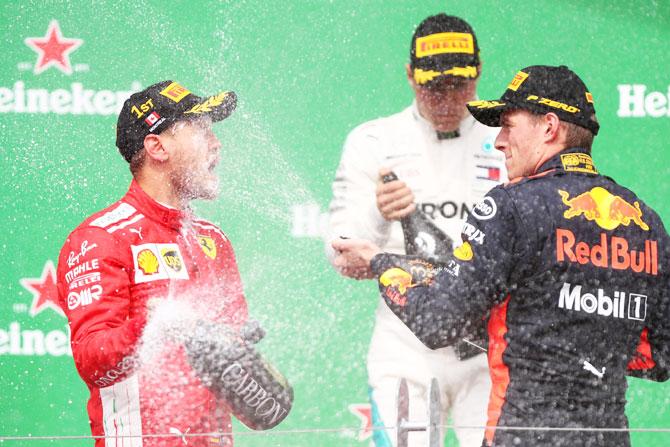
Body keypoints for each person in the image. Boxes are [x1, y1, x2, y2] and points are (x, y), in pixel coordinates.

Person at [332, 64, 670, 447]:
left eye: (509, 125)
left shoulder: (513, 206)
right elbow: (662, 356)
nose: (499, 142)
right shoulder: (646, 222)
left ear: (549, 126)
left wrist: (383, 264)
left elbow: (438, 322)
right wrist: (585, 345)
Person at [326, 14, 507, 447]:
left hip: (491, 353)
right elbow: (340, 254)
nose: (446, 98)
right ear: (410, 76)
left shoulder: (507, 137)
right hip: (405, 347)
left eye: (458, 85)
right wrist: (377, 212)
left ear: (478, 71)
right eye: (432, 86)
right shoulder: (373, 140)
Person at [56, 81, 248, 447]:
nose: (216, 143)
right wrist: (152, 327)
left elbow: (245, 401)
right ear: (157, 147)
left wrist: (247, 368)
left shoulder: (215, 242)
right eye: (200, 129)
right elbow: (92, 361)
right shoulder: (101, 238)